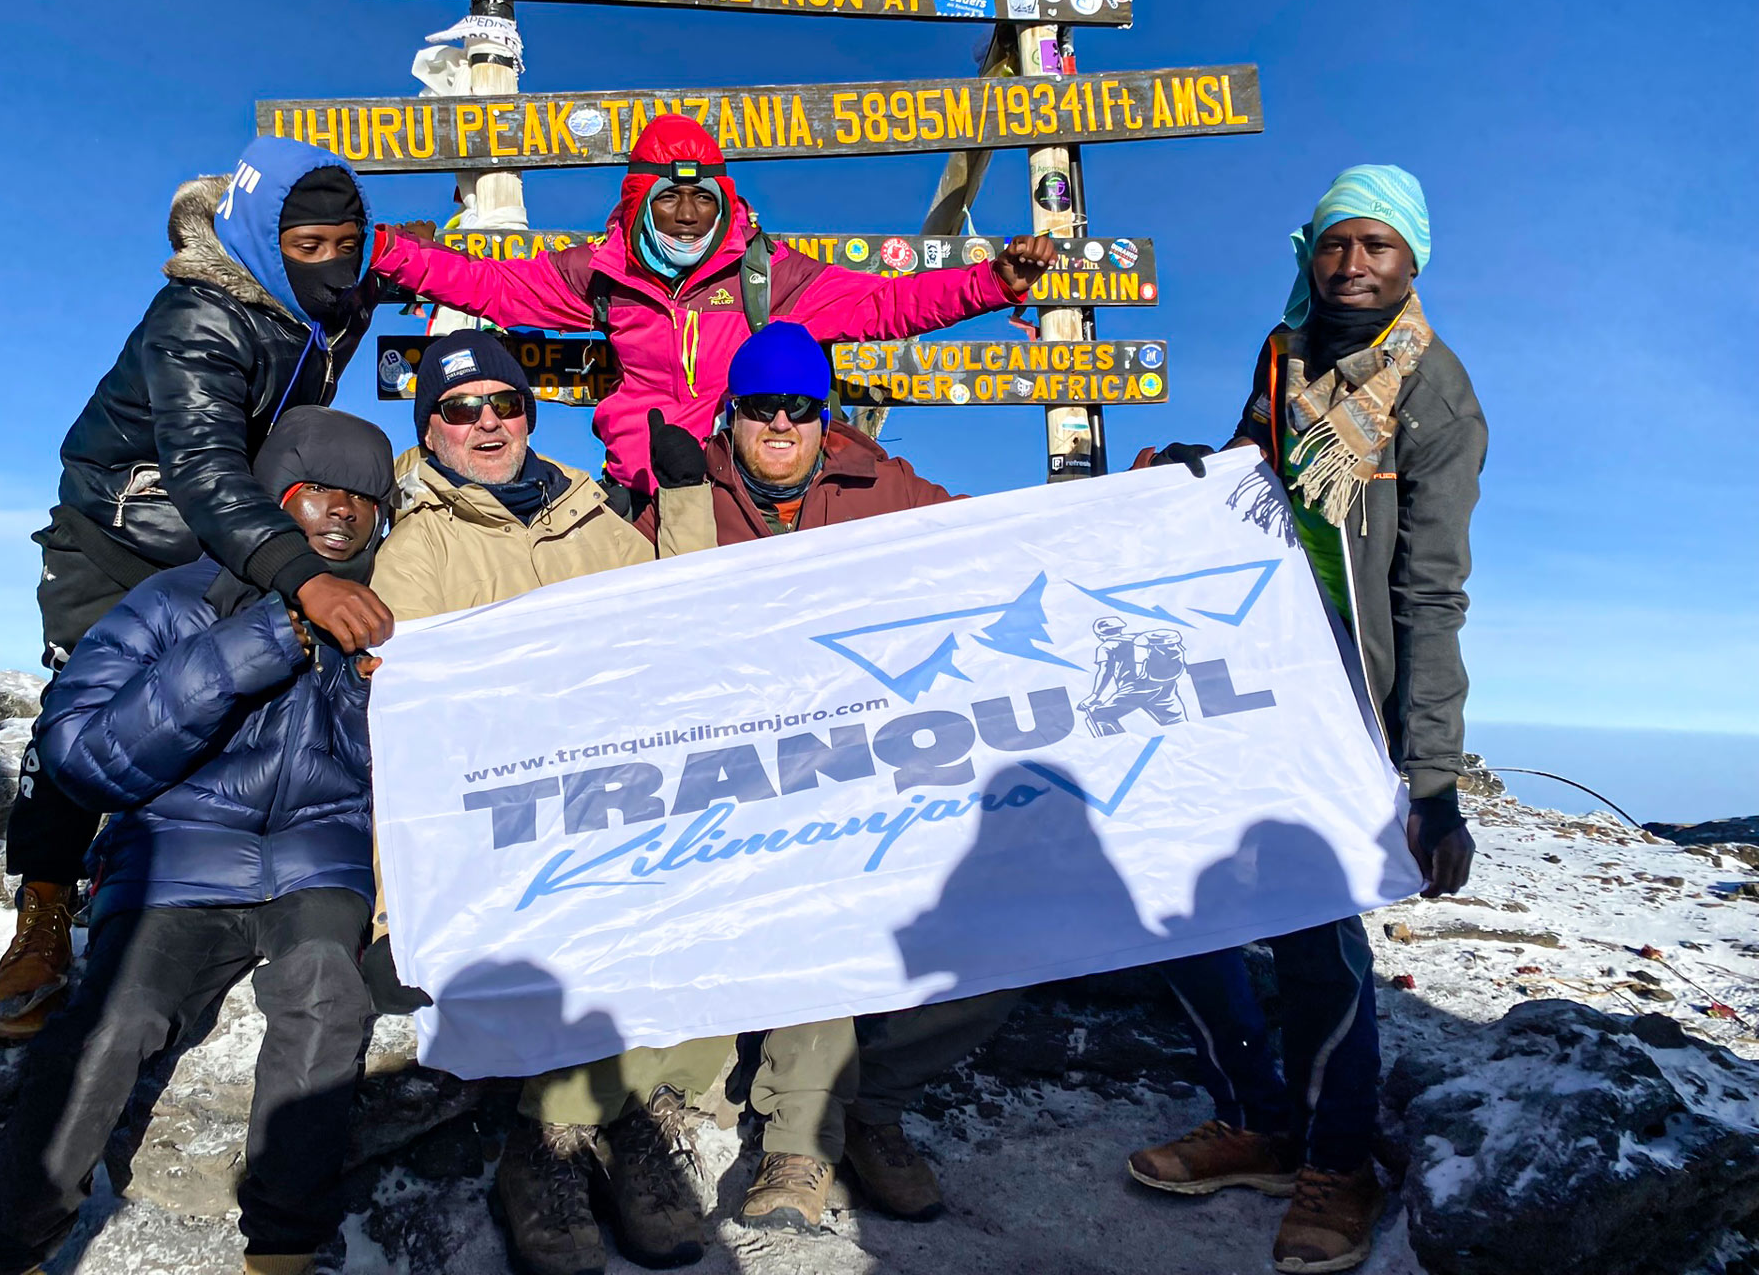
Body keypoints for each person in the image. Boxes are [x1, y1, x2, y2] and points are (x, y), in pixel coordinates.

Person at [1127, 165, 1485, 1274]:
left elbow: (1431, 591)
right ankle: (1260, 1119)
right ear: (1311, 252)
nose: (1353, 265)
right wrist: (1197, 477)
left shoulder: (1437, 396)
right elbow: (1256, 466)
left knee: (1316, 927)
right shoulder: (1285, 356)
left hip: (1349, 697)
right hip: (1248, 668)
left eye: (1378, 246)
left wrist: (1432, 784)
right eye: (1336, 244)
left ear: (1413, 259)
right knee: (1182, 900)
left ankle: (1339, 1160)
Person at [0, 407, 396, 1275]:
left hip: (321, 858)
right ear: (272, 499)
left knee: (326, 997)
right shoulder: (173, 599)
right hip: (176, 857)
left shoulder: (391, 620)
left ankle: (286, 1248)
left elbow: (392, 776)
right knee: (115, 1020)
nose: (340, 513)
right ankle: (3, 1250)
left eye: (364, 500)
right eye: (316, 492)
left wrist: (366, 689)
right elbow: (79, 757)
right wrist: (255, 644)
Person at [0, 136, 396, 1041]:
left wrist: (402, 275)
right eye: (310, 247)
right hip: (123, 534)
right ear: (260, 238)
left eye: (347, 243)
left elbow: (361, 308)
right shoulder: (199, 317)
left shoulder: (314, 301)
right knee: (77, 714)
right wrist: (307, 579)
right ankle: (45, 909)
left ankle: (203, 881)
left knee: (238, 697)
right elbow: (208, 471)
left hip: (231, 537)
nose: (334, 264)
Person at [637, 321, 1018, 1231]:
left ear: (823, 414)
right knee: (814, 895)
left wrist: (1148, 496)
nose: (780, 423)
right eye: (761, 407)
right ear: (732, 414)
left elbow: (1001, 542)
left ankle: (867, 1102)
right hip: (733, 784)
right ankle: (800, 1146)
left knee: (1015, 926)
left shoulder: (882, 487)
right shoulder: (681, 498)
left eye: (800, 408)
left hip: (872, 769)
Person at [363, 329, 726, 1275]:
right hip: (505, 815)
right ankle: (552, 1149)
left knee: (706, 895)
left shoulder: (598, 522)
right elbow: (413, 726)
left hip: (623, 788)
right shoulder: (418, 545)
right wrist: (394, 893)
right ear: (429, 429)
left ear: (529, 413)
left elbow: (677, 621)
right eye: (459, 409)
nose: (487, 422)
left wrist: (684, 503)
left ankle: (604, 1126)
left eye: (505, 404)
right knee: (578, 917)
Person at [363, 113, 1056, 503]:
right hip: (639, 493)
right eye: (669, 197)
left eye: (703, 198)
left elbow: (885, 304)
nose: (689, 215)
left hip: (737, 490)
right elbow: (499, 289)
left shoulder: (767, 275)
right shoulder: (605, 273)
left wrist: (994, 282)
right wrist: (390, 253)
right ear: (640, 202)